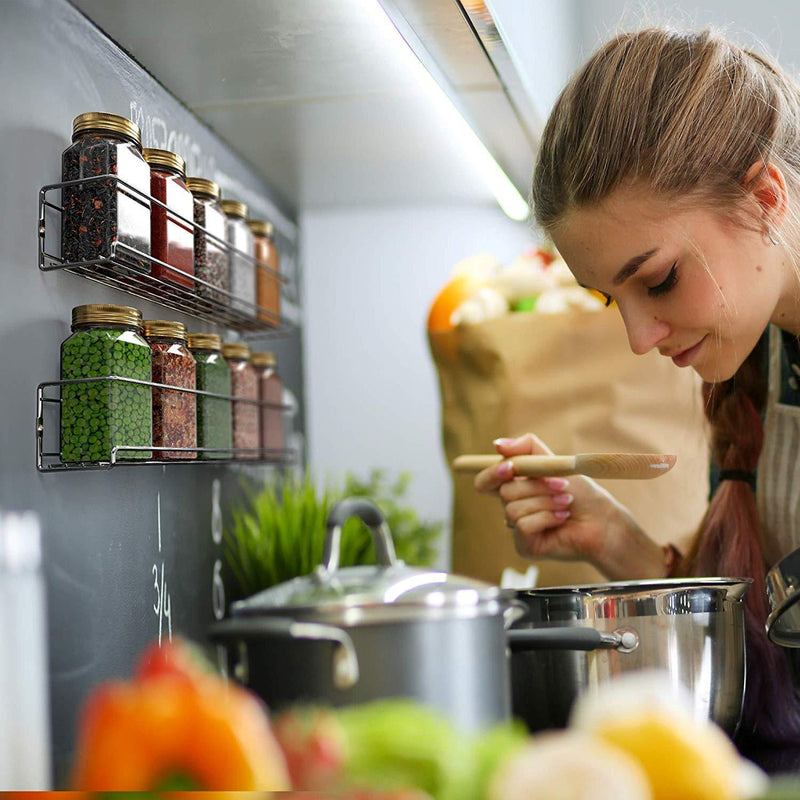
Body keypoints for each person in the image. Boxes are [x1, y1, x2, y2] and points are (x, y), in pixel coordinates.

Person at [473, 26, 800, 768]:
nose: (639, 337)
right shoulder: (762, 356)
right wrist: (614, 540)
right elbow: (768, 669)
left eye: (656, 280)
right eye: (609, 298)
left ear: (764, 199)